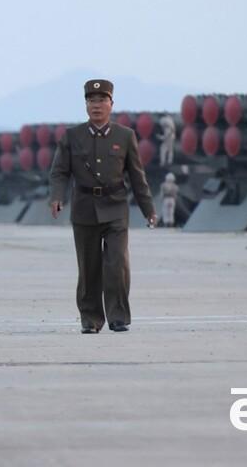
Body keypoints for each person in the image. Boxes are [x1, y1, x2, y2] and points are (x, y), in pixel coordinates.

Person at [49, 79, 156, 334]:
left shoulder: (125, 136)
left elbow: (137, 176)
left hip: (115, 207)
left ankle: (118, 317)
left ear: (111, 104)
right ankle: (91, 319)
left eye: (102, 101)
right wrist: (57, 197)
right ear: (86, 105)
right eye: (91, 101)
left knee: (117, 264)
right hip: (84, 208)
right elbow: (60, 172)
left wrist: (148, 209)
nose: (96, 106)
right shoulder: (72, 137)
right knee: (89, 268)